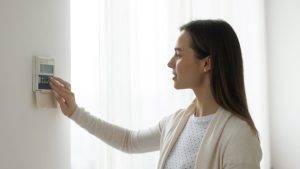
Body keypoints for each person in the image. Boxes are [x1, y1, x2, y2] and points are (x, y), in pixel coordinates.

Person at [49, 19, 262, 169]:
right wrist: (75, 112)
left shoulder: (239, 134)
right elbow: (128, 141)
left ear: (206, 63)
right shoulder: (177, 122)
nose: (170, 63)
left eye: (178, 55)